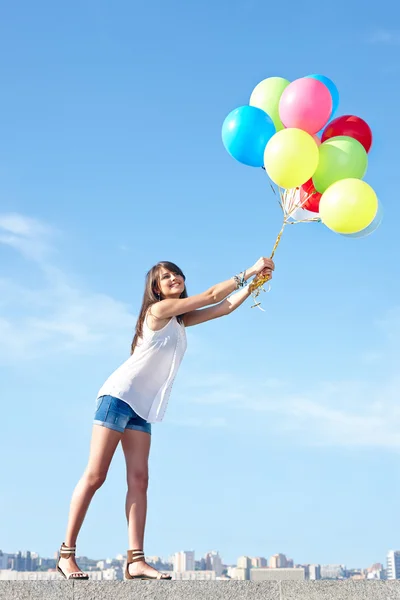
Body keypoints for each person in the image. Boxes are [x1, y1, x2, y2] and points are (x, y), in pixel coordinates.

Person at [56, 257, 274, 581]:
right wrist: (249, 271)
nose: (173, 278)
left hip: (141, 409)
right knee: (95, 476)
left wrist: (255, 285)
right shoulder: (157, 312)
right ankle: (66, 554)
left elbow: (224, 306)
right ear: (155, 289)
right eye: (165, 276)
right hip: (117, 397)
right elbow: (214, 294)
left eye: (176, 273)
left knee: (140, 480)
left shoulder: (180, 320)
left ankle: (135, 561)